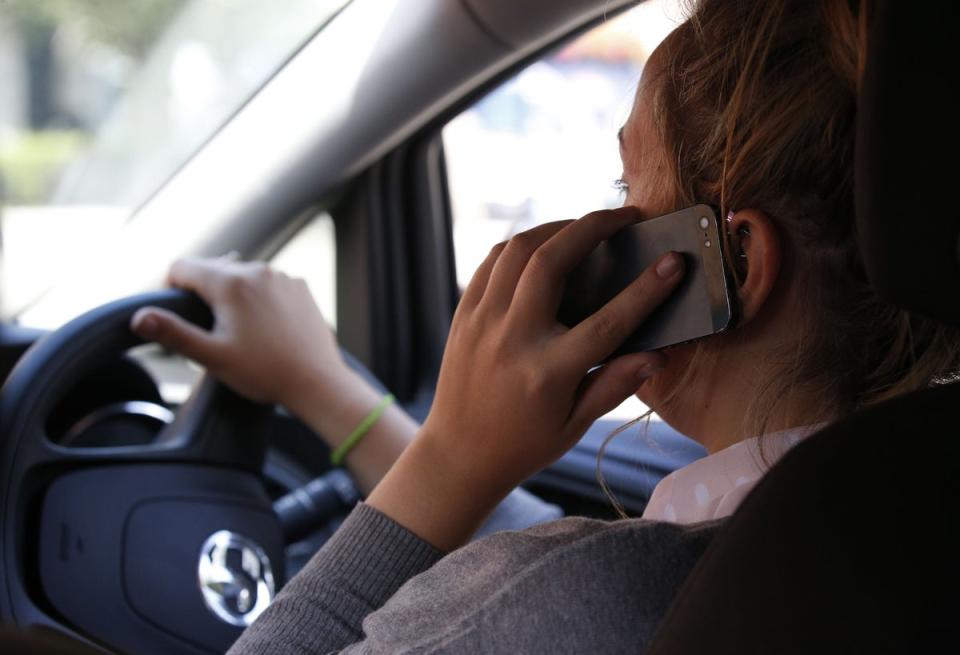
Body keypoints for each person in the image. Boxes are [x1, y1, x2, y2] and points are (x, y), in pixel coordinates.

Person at [130, 0, 960, 652]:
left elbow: (553, 595)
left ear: (735, 260)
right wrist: (333, 391)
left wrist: (453, 454)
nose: (602, 223)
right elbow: (552, 583)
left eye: (628, 186)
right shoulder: (893, 523)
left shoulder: (601, 598)